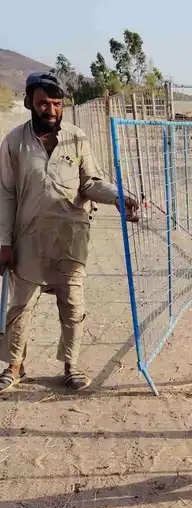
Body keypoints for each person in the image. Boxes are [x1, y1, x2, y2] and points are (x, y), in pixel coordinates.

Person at [0, 72, 139, 393]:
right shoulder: (14, 142)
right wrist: (4, 242)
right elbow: (5, 192)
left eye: (57, 104)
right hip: (28, 240)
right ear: (29, 104)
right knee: (20, 306)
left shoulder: (77, 138)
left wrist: (118, 197)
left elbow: (90, 182)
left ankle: (71, 366)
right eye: (43, 104)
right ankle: (14, 366)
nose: (50, 111)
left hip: (71, 240)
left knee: (72, 306)